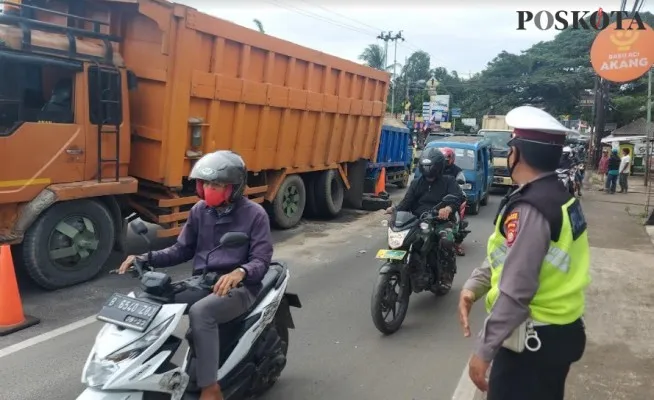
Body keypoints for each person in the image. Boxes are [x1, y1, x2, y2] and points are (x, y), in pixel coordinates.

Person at [457, 106, 590, 400]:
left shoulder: (530, 208)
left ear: (516, 153)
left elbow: (517, 292)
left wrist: (483, 351)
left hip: (533, 342)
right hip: (561, 333)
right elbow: (506, 253)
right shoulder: (561, 197)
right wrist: (474, 287)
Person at [118, 150, 273, 400]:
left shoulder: (255, 214)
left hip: (241, 287)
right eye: (207, 183)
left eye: (218, 184)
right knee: (147, 301)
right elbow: (182, 249)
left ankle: (210, 387)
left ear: (234, 187)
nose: (210, 189)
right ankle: (132, 367)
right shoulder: (200, 210)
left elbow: (261, 260)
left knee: (203, 312)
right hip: (203, 281)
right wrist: (146, 258)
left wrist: (240, 271)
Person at [386, 147, 464, 290]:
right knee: (400, 238)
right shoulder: (416, 183)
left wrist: (448, 209)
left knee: (446, 241)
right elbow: (406, 202)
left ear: (438, 166)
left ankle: (446, 275)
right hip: (418, 221)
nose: (428, 169)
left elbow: (457, 198)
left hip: (441, 222)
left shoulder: (449, 181)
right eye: (426, 166)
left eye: (431, 166)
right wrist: (394, 210)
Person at [440, 147, 467, 256]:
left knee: (456, 218)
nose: (445, 161)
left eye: (447, 159)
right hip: (439, 197)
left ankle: (457, 244)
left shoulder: (457, 170)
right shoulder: (436, 168)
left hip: (453, 196)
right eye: (443, 159)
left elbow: (462, 181)